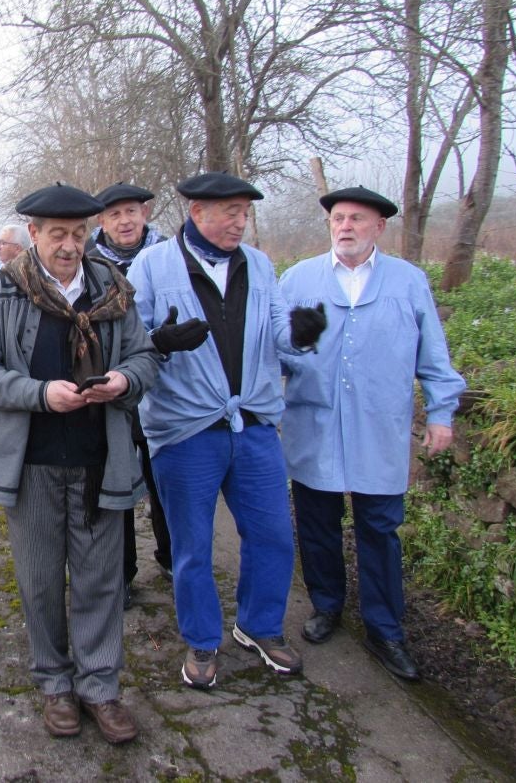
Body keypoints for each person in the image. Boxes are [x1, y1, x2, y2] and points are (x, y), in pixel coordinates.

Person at [0, 182, 160, 744]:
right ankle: (54, 682)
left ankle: (100, 687)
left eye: (78, 234)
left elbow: (146, 356)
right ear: (33, 234)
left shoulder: (112, 288)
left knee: (101, 581)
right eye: (58, 235)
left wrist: (125, 379)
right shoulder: (3, 290)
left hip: (101, 457)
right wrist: (40, 394)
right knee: (41, 580)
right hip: (32, 463)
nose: (70, 246)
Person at [127, 172, 327, 690]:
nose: (241, 221)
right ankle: (201, 638)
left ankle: (259, 626)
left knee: (272, 534)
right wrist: (161, 341)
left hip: (254, 424)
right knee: (192, 544)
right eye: (232, 212)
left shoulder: (258, 265)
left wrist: (301, 337)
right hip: (185, 429)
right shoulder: (153, 265)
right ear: (198, 213)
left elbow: (281, 333)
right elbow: (130, 343)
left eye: (245, 212)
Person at [279, 186, 465, 681]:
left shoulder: (407, 282)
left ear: (379, 227)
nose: (345, 227)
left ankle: (385, 629)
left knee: (379, 530)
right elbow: (272, 351)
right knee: (316, 524)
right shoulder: (299, 280)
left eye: (357, 219)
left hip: (378, 427)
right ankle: (327, 605)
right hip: (314, 425)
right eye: (338, 218)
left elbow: (434, 356)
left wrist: (442, 412)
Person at [90, 182, 173, 606]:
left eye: (132, 212)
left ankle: (171, 556)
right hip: (111, 387)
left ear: (144, 214)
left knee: (164, 479)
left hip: (162, 387)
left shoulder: (169, 256)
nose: (125, 221)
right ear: (101, 221)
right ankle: (120, 573)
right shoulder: (87, 263)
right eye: (115, 214)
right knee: (116, 480)